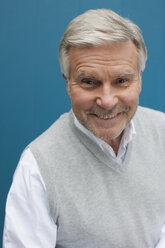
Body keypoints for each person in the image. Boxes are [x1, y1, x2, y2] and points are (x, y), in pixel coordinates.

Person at [3, 8, 165, 248]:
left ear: (140, 79)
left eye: (121, 81)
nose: (107, 101)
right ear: (67, 83)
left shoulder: (162, 132)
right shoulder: (38, 165)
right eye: (89, 82)